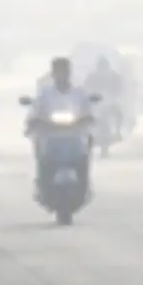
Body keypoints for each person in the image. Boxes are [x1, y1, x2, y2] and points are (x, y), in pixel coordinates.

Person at [27, 57, 96, 194]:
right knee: (40, 151)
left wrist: (85, 119)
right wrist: (35, 122)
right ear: (53, 74)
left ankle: (85, 184)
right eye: (58, 72)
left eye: (64, 71)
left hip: (74, 137)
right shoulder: (45, 94)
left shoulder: (79, 93)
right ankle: (41, 184)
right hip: (50, 137)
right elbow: (35, 113)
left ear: (69, 73)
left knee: (86, 149)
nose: (61, 75)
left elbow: (88, 113)